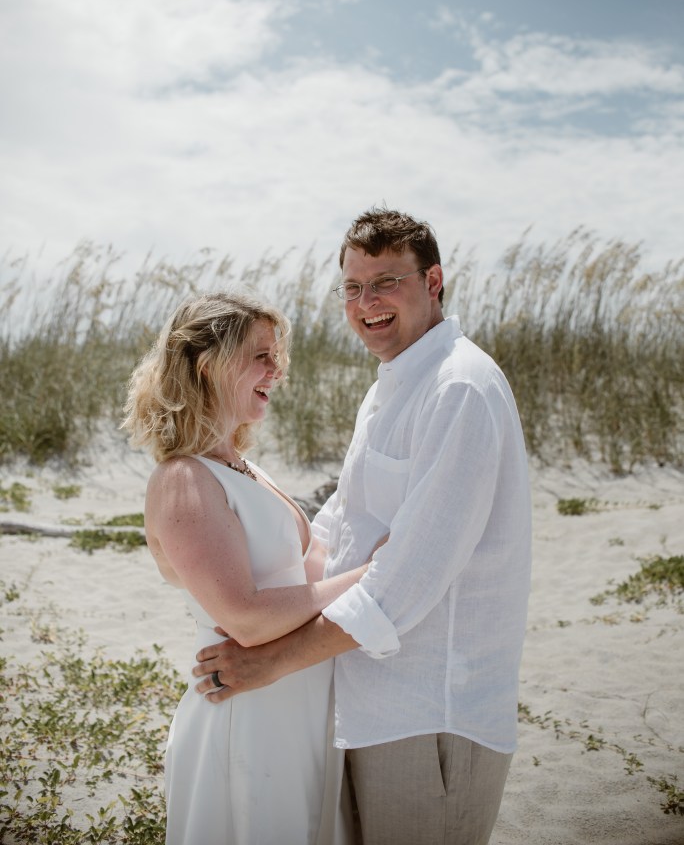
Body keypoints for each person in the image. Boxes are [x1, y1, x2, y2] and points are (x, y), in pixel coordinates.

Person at [193, 208, 532, 845]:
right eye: (351, 287)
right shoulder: (391, 387)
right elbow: (340, 531)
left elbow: (406, 580)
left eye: (384, 283)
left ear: (433, 281)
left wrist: (268, 662)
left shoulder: (459, 388)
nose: (365, 302)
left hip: (432, 712)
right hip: (364, 703)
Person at [122, 290, 373, 845]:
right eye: (261, 355)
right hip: (246, 717)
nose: (276, 370)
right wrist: (373, 576)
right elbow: (246, 619)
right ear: (209, 365)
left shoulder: (242, 468)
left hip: (294, 705)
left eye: (276, 355)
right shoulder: (183, 479)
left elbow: (308, 572)